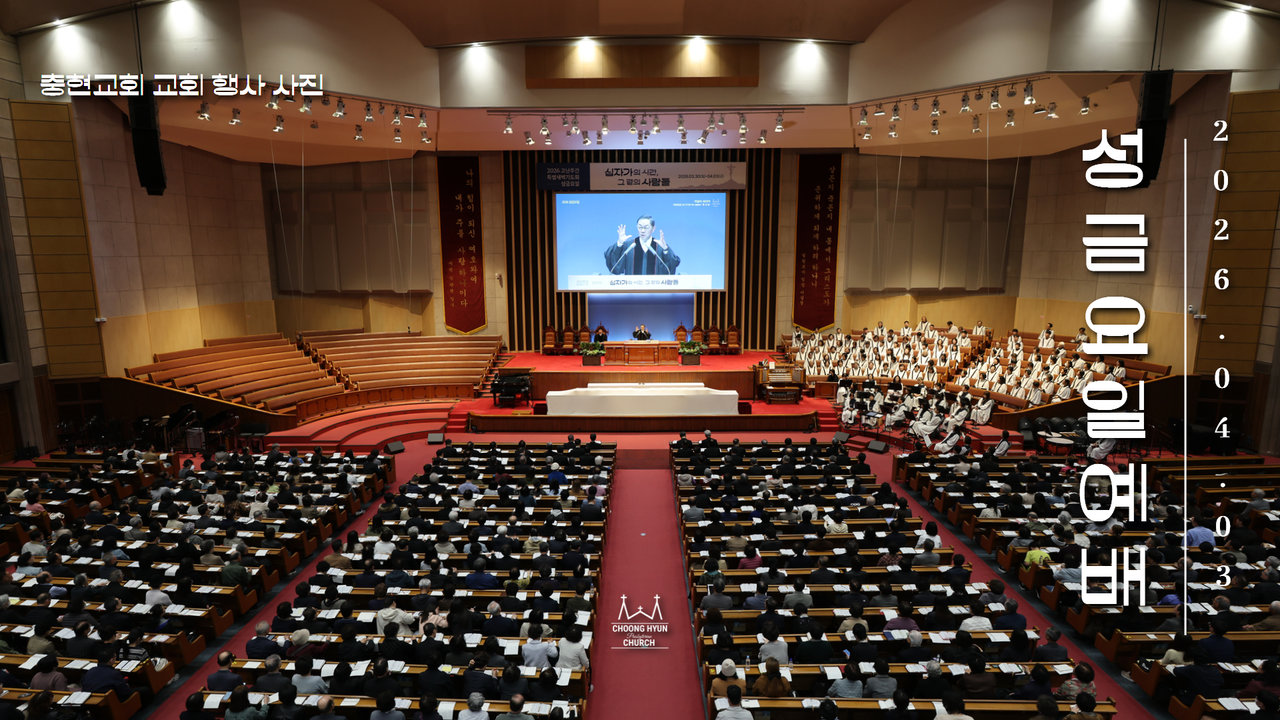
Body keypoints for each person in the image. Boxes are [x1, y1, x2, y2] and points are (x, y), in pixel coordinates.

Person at [607, 215, 679, 275]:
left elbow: (670, 270)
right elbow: (615, 268)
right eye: (640, 227)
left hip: (655, 287)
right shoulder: (629, 246)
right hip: (632, 287)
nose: (642, 230)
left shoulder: (660, 246)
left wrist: (665, 250)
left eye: (646, 227)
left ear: (653, 228)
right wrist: (619, 244)